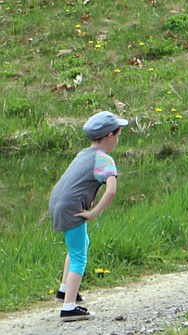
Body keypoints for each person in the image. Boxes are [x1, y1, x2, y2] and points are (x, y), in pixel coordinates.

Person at [49, 111, 128, 322]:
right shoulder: (104, 160)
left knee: (79, 245)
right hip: (72, 207)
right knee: (79, 257)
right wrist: (93, 213)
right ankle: (69, 307)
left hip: (58, 203)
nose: (118, 139)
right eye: (119, 135)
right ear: (110, 136)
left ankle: (66, 290)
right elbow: (111, 190)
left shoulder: (84, 153)